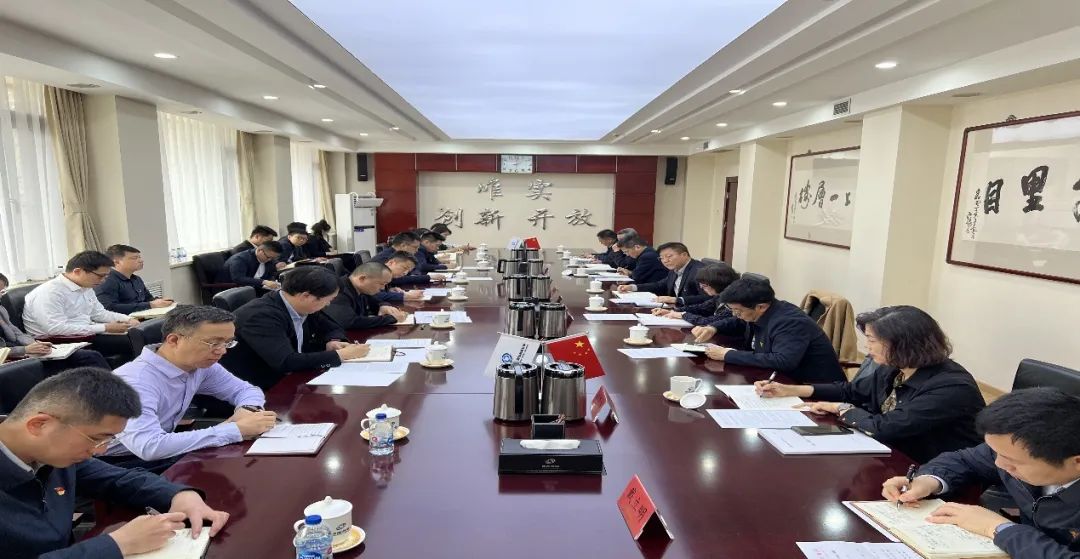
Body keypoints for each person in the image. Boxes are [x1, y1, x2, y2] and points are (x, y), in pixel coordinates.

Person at [0, 367, 229, 558]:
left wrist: (180, 495)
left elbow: (119, 479)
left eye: (109, 439)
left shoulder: (52, 455)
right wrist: (117, 545)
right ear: (39, 425)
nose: (101, 450)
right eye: (96, 438)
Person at [755, 306, 984, 462]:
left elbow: (886, 426)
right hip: (888, 452)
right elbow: (852, 391)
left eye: (872, 340)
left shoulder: (951, 387)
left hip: (930, 469)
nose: (867, 347)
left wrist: (842, 409)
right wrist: (792, 390)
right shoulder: (895, 367)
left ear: (904, 344)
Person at [882, 388, 1080, 559]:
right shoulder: (1015, 450)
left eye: (1012, 461)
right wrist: (927, 481)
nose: (998, 463)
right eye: (996, 453)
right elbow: (965, 460)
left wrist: (998, 528)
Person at [101, 306, 276, 472]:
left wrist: (248, 409)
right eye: (213, 343)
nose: (222, 351)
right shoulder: (135, 382)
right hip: (119, 463)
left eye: (228, 343)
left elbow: (245, 390)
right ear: (174, 340)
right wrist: (236, 430)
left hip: (167, 446)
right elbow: (149, 446)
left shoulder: (199, 365)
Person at [220, 266, 369, 389]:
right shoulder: (261, 317)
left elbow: (333, 327)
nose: (328, 304)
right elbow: (286, 362)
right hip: (256, 387)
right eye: (328, 300)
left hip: (291, 377)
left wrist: (333, 341)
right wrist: (340, 355)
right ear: (306, 296)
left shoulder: (303, 306)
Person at [697, 276, 845, 383]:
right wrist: (713, 328)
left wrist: (729, 354)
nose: (735, 314)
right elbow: (739, 322)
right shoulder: (759, 311)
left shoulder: (790, 322)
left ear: (761, 307)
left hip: (813, 389)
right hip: (777, 380)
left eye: (738, 310)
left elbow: (783, 360)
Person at [0, 272, 110, 372]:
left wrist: (34, 344)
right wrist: (24, 350)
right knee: (87, 358)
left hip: (22, 351)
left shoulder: (1, 309)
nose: (1, 296)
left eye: (2, 292)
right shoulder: (49, 292)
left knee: (90, 356)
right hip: (8, 358)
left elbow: (17, 333)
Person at [23, 251, 139, 338]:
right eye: (100, 276)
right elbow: (55, 328)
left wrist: (128, 319)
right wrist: (104, 327)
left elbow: (99, 313)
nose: (103, 280)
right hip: (56, 341)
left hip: (84, 333)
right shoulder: (50, 292)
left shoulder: (86, 287)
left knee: (139, 334)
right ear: (77, 271)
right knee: (130, 341)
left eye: (106, 276)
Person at [617, 242, 707, 305]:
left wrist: (677, 300)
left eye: (669, 256)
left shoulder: (699, 271)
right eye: (662, 258)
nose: (665, 261)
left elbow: (707, 298)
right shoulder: (675, 268)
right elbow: (659, 285)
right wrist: (632, 287)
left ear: (684, 255)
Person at [324, 262, 407, 329]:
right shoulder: (339, 291)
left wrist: (383, 306)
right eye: (381, 284)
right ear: (362, 279)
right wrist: (392, 318)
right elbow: (350, 322)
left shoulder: (361, 288)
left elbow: (376, 301)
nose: (382, 288)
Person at [652, 263, 741, 326]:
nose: (701, 288)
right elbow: (702, 308)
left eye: (704, 285)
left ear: (718, 284)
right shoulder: (719, 296)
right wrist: (674, 311)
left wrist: (683, 315)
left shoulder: (734, 301)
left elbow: (710, 322)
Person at [95, 244, 174, 314]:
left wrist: (160, 301)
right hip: (124, 321)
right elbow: (109, 307)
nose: (141, 260)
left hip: (145, 316)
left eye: (139, 257)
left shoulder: (136, 279)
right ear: (116, 262)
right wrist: (151, 305)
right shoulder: (107, 280)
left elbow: (148, 299)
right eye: (134, 258)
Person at [374, 232, 446, 286]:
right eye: (415, 247)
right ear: (403, 245)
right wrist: (428, 277)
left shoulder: (402, 256)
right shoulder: (386, 258)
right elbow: (395, 280)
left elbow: (416, 269)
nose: (417, 250)